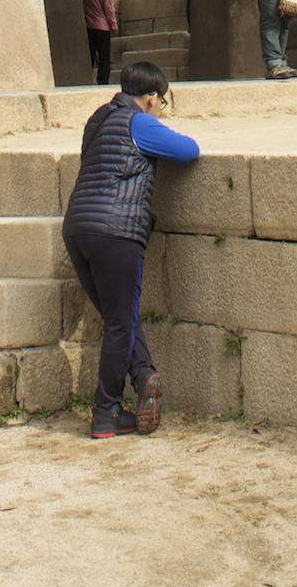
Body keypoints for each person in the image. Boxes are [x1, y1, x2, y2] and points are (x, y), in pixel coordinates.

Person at [62, 60, 200, 440]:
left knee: (117, 315)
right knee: (120, 323)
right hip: (116, 232)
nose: (160, 109)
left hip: (77, 229)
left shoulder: (98, 119)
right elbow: (188, 151)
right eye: (162, 103)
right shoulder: (139, 122)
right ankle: (106, 412)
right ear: (152, 98)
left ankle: (142, 374)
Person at [81, 0, 118, 85]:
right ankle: (102, 82)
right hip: (103, 26)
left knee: (90, 56)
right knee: (104, 58)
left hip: (88, 25)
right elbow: (108, 6)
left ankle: (86, 80)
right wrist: (113, 24)